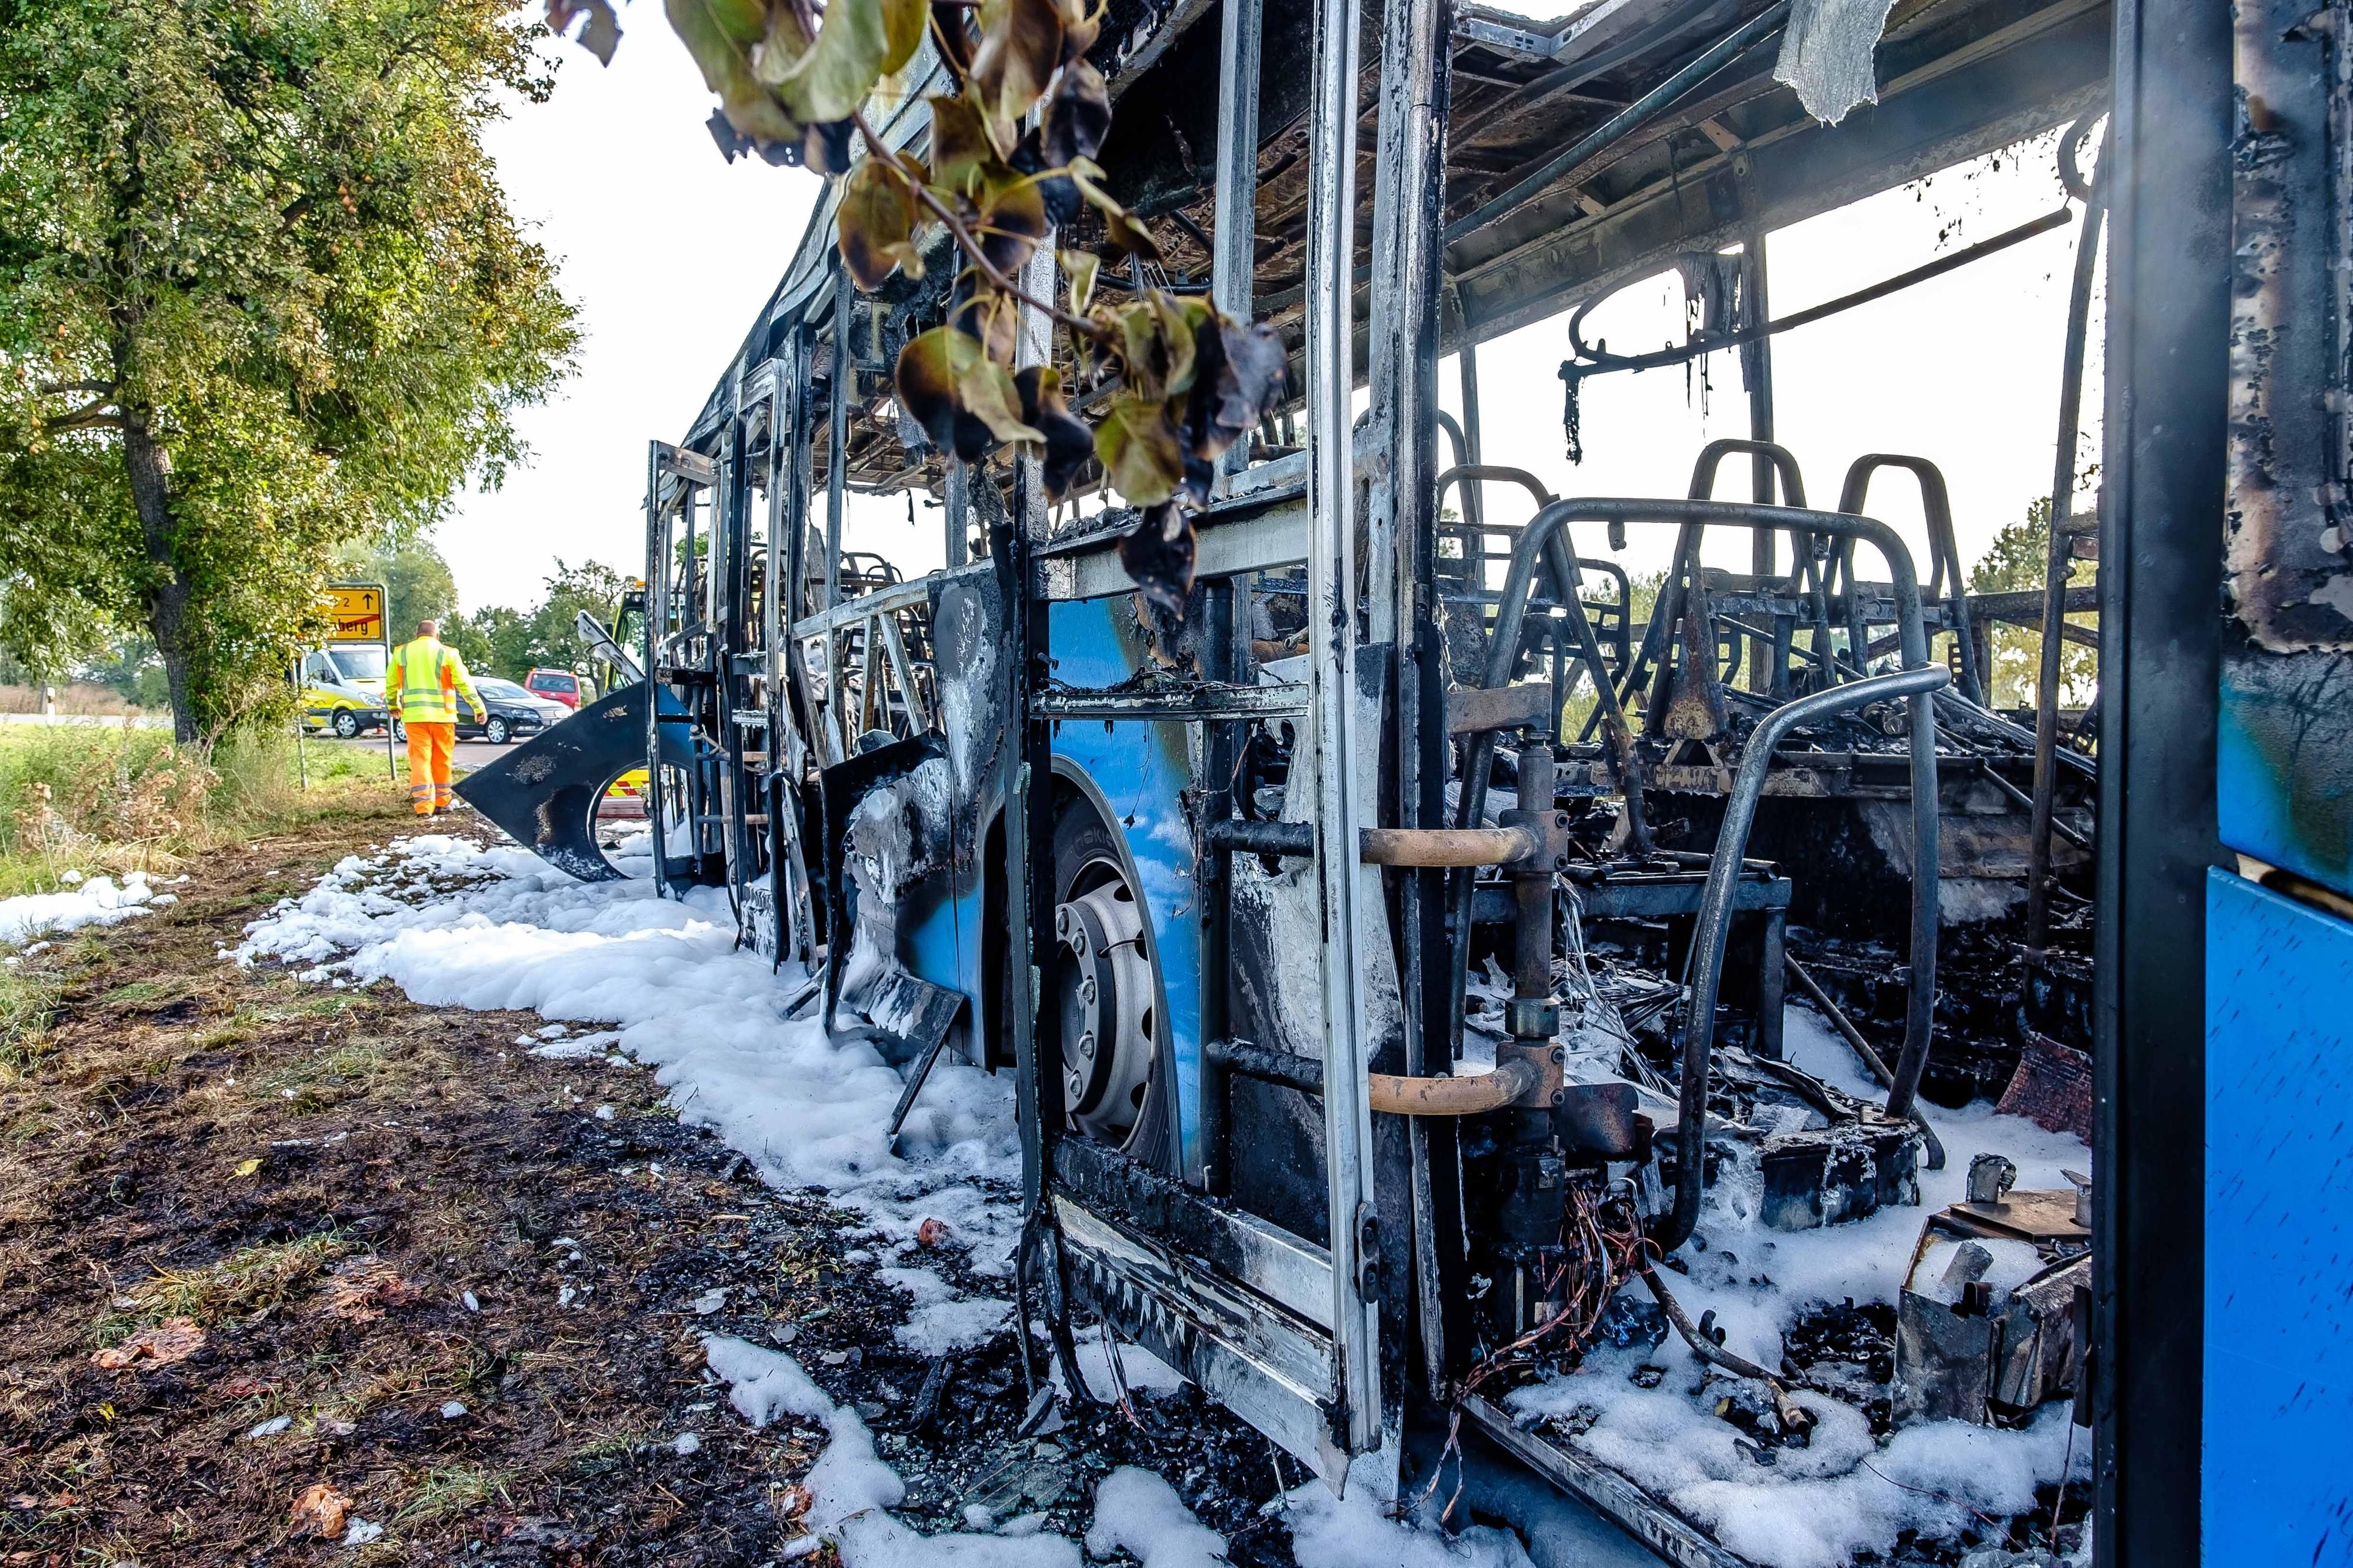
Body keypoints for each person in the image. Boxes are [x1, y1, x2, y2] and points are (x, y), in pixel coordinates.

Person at [385, 619, 482, 816]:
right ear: (437, 635)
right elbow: (464, 683)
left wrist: (393, 706)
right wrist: (478, 707)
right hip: (443, 717)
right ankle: (443, 802)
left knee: (420, 760)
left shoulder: (401, 653)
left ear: (417, 634)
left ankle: (423, 807)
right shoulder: (448, 653)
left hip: (414, 718)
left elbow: (391, 684)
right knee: (442, 760)